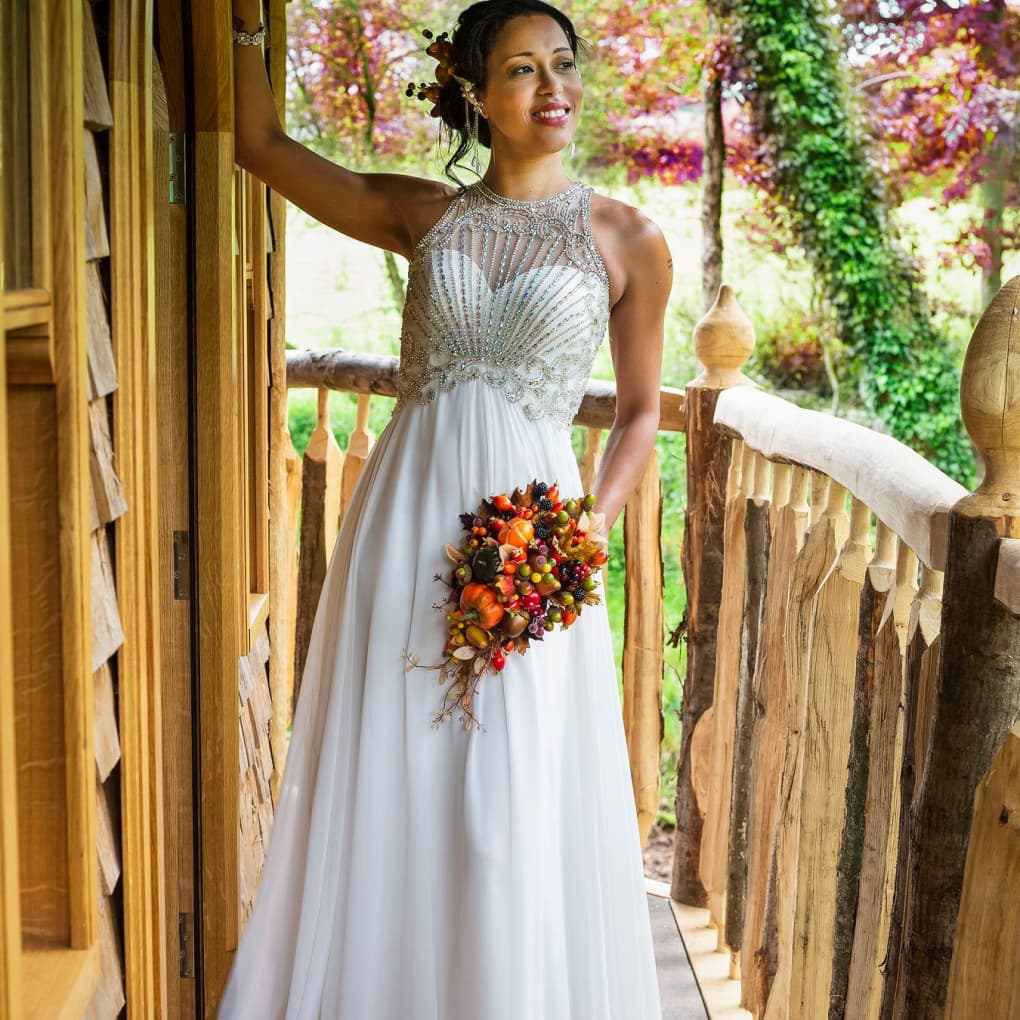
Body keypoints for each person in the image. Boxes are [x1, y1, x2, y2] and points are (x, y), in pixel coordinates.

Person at [220, 0, 672, 1016]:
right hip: (407, 527)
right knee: (400, 765)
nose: (553, 88)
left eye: (563, 64)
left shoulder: (628, 238)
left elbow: (642, 413)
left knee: (507, 789)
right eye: (521, 69)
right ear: (475, 90)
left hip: (536, 543)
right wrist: (247, 25)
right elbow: (257, 144)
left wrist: (586, 526)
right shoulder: (425, 215)